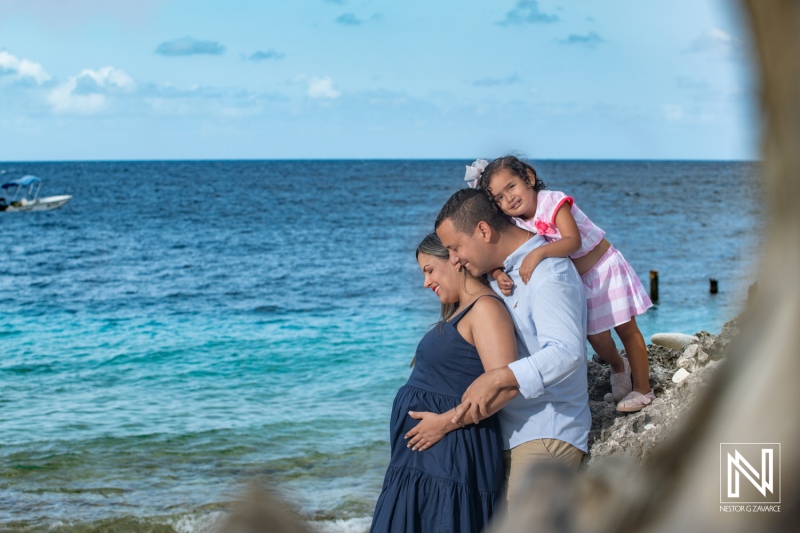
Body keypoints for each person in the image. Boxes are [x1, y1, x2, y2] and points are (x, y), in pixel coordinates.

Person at [434, 188, 590, 506]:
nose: (453, 259)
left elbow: (567, 352)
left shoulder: (549, 274)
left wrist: (497, 378)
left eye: (454, 247)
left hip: (546, 431)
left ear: (483, 230)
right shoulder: (504, 272)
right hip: (506, 431)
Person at [466, 156, 654, 412]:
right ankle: (619, 366)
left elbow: (572, 241)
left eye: (511, 186)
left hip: (604, 269)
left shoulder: (553, 202)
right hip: (580, 282)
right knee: (597, 338)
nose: (508, 198)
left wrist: (539, 253)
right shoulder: (517, 222)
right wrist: (498, 273)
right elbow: (505, 249)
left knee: (626, 330)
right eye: (499, 197)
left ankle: (643, 388)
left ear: (529, 178)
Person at [370, 233, 519, 533]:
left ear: (454, 260)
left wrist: (445, 422)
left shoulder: (486, 309)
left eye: (429, 270)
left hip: (450, 456)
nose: (426, 283)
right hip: (424, 464)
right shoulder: (461, 313)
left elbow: (507, 385)